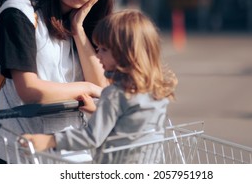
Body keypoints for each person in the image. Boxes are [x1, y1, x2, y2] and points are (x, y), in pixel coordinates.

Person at [0, 0, 116, 164]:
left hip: (71, 157)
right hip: (17, 155)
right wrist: (87, 87)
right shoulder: (19, 12)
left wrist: (78, 29)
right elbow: (30, 90)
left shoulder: (78, 24)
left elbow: (101, 87)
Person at [22, 9, 178, 163]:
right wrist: (97, 111)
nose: (97, 55)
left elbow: (92, 137)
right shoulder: (155, 89)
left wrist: (49, 141)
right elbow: (133, 123)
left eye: (103, 49)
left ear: (125, 54)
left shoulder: (115, 93)